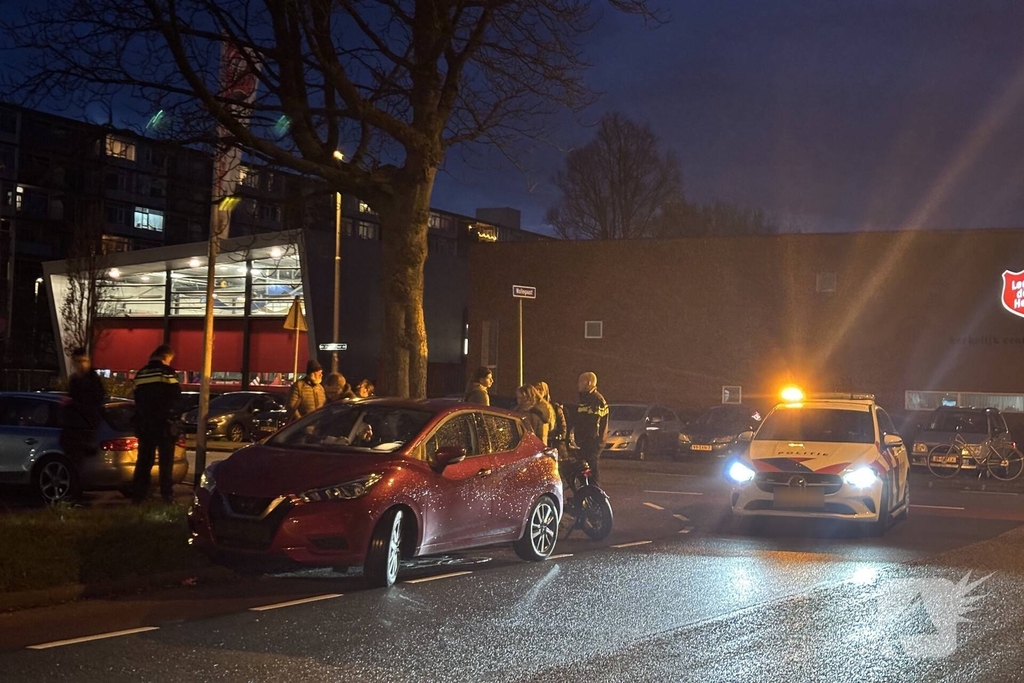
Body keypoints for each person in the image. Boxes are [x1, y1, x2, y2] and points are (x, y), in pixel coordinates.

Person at [132, 344, 182, 504]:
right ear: (165, 357)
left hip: (145, 424)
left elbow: (137, 399)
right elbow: (176, 397)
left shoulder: (141, 373)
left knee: (144, 461)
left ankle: (139, 496)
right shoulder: (167, 372)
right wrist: (174, 417)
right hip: (163, 424)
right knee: (166, 462)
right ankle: (167, 496)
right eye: (170, 360)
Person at [60, 347, 106, 465]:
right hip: (76, 427)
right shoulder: (75, 379)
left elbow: (94, 403)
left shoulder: (92, 380)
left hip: (84, 427)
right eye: (77, 362)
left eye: (82, 361)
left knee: (79, 463)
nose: (80, 365)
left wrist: (72, 402)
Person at [574, 371, 609, 484]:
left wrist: (587, 441)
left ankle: (593, 491)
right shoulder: (586, 399)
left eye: (581, 382)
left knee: (591, 470)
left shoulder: (596, 400)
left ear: (588, 383)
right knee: (584, 471)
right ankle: (586, 489)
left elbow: (593, 425)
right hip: (586, 442)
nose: (578, 384)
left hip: (592, 443)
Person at [531, 381, 557, 447]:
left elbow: (561, 427)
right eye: (536, 389)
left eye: (540, 389)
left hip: (549, 442)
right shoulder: (530, 406)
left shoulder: (554, 407)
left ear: (545, 392)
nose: (538, 391)